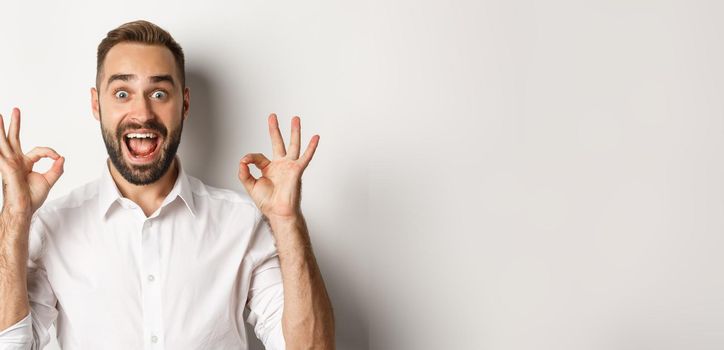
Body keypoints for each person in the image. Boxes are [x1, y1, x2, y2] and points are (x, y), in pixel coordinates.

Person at [0, 20, 334, 349]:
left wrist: (287, 220)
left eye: (159, 93)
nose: (142, 112)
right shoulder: (52, 226)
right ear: (96, 104)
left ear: (184, 104)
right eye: (121, 93)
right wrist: (15, 217)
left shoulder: (241, 223)